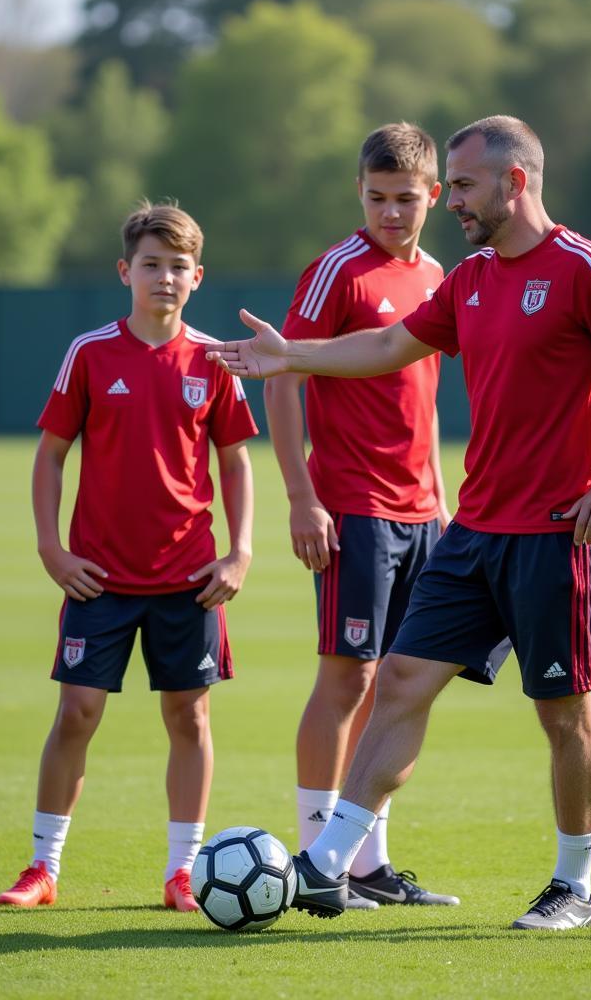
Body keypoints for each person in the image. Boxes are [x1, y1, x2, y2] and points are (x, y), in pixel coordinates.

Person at [209, 115, 591, 928]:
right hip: (473, 528)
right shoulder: (474, 276)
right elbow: (389, 344)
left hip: (555, 532)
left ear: (514, 182)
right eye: (447, 184)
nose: (447, 200)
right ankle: (325, 864)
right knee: (400, 684)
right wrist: (297, 356)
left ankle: (574, 888)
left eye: (461, 185)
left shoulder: (584, 268)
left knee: (564, 715)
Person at [0, 202, 257, 913]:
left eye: (178, 267)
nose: (164, 278)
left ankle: (184, 871)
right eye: (151, 264)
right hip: (99, 577)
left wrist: (239, 551)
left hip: (189, 577)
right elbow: (51, 455)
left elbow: (235, 462)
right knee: (77, 712)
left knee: (189, 719)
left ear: (197, 277)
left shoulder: (213, 359)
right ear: (125, 271)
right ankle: (43, 868)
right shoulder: (89, 352)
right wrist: (52, 548)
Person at [265, 122, 457, 909]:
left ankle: (367, 860)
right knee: (347, 679)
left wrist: (440, 496)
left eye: (406, 198)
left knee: (399, 689)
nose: (391, 212)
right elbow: (281, 375)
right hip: (351, 506)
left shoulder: (441, 272)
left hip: (419, 512)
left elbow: (427, 400)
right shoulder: (336, 271)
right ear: (360, 192)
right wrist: (301, 496)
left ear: (433, 196)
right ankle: (318, 860)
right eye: (377, 197)